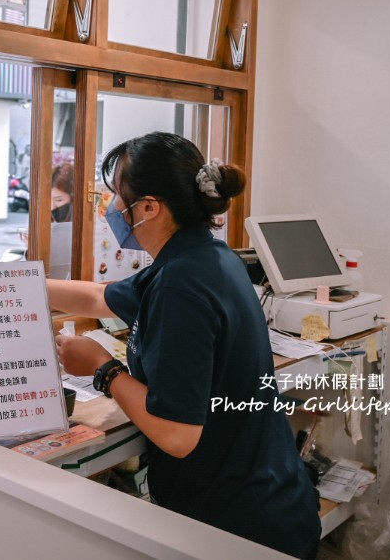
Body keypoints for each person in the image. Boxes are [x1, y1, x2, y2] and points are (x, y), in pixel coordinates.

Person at [49, 132, 320, 559]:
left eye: (118, 196)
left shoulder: (182, 284)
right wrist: (13, 285)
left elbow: (177, 435)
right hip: (267, 496)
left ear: (149, 207)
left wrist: (103, 368)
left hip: (239, 526)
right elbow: (98, 298)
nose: (111, 209)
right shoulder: (204, 257)